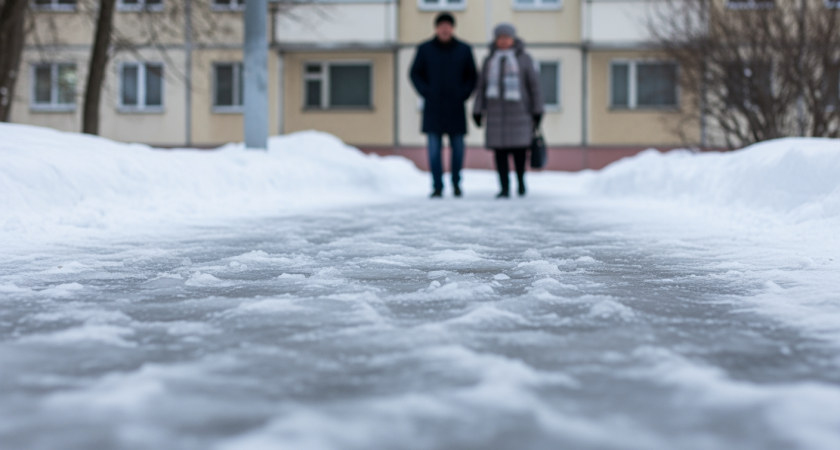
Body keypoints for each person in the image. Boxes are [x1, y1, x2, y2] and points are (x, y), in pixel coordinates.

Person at [410, 12, 478, 198]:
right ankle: (437, 186)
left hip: (456, 108)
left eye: (448, 26)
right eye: (442, 26)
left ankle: (456, 184)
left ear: (453, 28)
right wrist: (427, 92)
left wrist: (463, 94)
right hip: (433, 109)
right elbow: (415, 73)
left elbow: (472, 76)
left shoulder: (464, 50)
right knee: (433, 152)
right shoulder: (425, 49)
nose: (445, 29)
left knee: (458, 151)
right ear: (436, 28)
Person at [473, 23, 543, 198]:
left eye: (507, 37)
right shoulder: (489, 61)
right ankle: (504, 187)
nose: (503, 41)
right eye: (500, 38)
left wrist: (538, 110)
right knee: (499, 154)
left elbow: (534, 87)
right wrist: (477, 110)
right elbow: (481, 88)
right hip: (495, 116)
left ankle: (520, 183)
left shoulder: (524, 59)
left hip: (521, 115)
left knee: (520, 153)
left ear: (513, 39)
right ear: (496, 40)